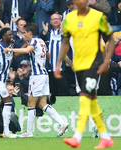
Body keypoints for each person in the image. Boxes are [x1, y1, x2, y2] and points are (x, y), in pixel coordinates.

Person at [54, 0, 115, 148]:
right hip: (79, 66)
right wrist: (58, 63)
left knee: (84, 96)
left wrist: (106, 61)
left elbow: (109, 40)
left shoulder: (97, 17)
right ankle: (105, 137)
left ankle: (77, 136)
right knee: (91, 99)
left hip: (94, 64)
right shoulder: (70, 19)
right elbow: (65, 43)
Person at [5, 23, 69, 138]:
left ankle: (29, 132)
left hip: (37, 76)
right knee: (42, 104)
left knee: (31, 103)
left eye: (25, 33)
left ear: (30, 33)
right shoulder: (42, 42)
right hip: (44, 74)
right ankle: (62, 123)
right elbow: (48, 55)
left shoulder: (34, 41)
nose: (24, 35)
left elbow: (27, 51)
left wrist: (11, 49)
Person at [41, 13, 70, 96]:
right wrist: (44, 33)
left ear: (61, 20)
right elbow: (39, 43)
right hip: (49, 68)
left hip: (63, 68)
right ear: (50, 21)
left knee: (64, 92)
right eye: (53, 19)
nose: (55, 20)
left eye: (57, 18)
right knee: (51, 92)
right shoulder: (47, 32)